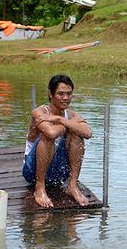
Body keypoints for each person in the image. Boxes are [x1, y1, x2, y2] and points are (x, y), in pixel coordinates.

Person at [22, 74, 93, 208]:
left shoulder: (70, 115)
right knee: (48, 137)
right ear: (50, 94)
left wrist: (60, 120)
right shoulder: (39, 112)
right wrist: (70, 124)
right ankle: (40, 188)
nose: (65, 98)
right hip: (33, 172)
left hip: (58, 174)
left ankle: (72, 186)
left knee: (77, 135)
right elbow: (51, 132)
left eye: (69, 94)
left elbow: (88, 133)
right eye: (61, 94)